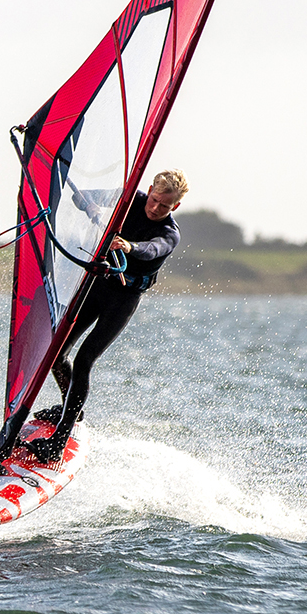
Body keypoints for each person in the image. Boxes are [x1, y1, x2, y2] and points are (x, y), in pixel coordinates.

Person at [22, 169, 188, 463]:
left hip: (123, 300)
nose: (155, 208)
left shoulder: (169, 233)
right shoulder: (130, 199)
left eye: (164, 205)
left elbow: (152, 250)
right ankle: (71, 410)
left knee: (84, 359)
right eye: (154, 200)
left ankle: (58, 442)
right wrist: (92, 207)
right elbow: (82, 197)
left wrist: (128, 246)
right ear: (150, 190)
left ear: (175, 205)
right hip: (97, 287)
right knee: (57, 353)